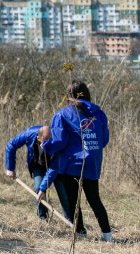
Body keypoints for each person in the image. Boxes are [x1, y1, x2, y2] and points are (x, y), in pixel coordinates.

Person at [36, 80, 112, 241]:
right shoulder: (98, 113)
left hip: (71, 164)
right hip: (92, 163)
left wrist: (46, 146)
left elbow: (59, 141)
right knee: (95, 200)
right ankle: (107, 235)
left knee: (73, 201)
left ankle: (81, 233)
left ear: (69, 95)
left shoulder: (63, 114)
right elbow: (104, 139)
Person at [4, 125, 70, 221]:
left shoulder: (57, 140)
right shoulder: (29, 134)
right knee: (38, 188)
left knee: (64, 193)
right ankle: (42, 217)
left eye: (50, 140)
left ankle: (69, 220)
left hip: (55, 167)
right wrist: (10, 168)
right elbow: (11, 145)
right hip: (37, 165)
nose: (49, 143)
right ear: (38, 138)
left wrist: (44, 188)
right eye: (45, 141)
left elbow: (53, 168)